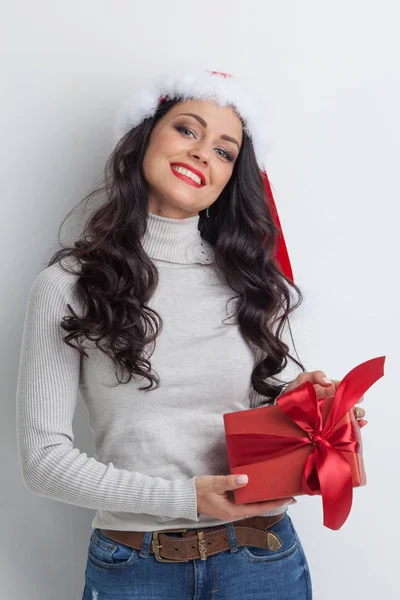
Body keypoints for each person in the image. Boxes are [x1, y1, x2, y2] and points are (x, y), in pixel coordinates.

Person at [16, 65, 367, 599]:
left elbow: (263, 427)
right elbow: (43, 462)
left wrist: (313, 408)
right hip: (134, 568)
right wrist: (190, 499)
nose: (204, 152)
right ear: (144, 138)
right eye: (188, 129)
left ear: (231, 178)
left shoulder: (251, 282)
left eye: (225, 150)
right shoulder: (67, 285)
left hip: (261, 558)